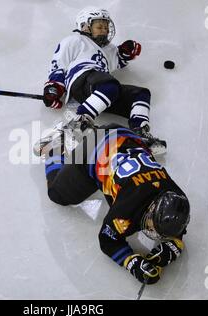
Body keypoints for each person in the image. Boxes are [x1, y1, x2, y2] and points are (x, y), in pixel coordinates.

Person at [41, 123, 190, 285]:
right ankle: (54, 146)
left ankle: (93, 130)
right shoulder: (126, 209)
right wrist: (130, 261)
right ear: (151, 207)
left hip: (126, 135)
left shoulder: (177, 194)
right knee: (57, 195)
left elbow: (178, 218)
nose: (154, 234)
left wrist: (176, 241)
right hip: (94, 148)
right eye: (153, 227)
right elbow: (107, 239)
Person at [37, 6, 166, 157]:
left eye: (106, 27)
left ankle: (140, 134)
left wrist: (125, 52)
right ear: (84, 26)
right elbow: (59, 65)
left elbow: (118, 61)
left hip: (102, 92)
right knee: (110, 85)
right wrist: (53, 89)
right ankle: (78, 124)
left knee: (141, 94)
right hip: (82, 80)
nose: (104, 30)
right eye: (99, 26)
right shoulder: (75, 40)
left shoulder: (108, 49)